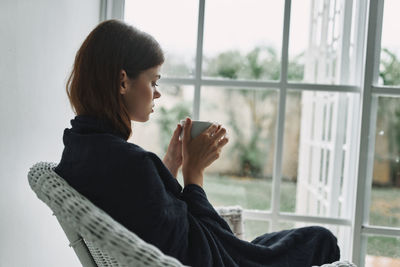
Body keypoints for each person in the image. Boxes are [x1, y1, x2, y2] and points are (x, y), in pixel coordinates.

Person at [55, 19, 340, 267]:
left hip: (214, 252)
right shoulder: (131, 163)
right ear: (122, 82)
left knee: (293, 240)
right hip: (220, 260)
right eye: (154, 81)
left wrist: (169, 167)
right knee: (320, 239)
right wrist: (194, 174)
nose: (157, 94)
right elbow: (196, 255)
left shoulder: (80, 149)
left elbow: (152, 220)